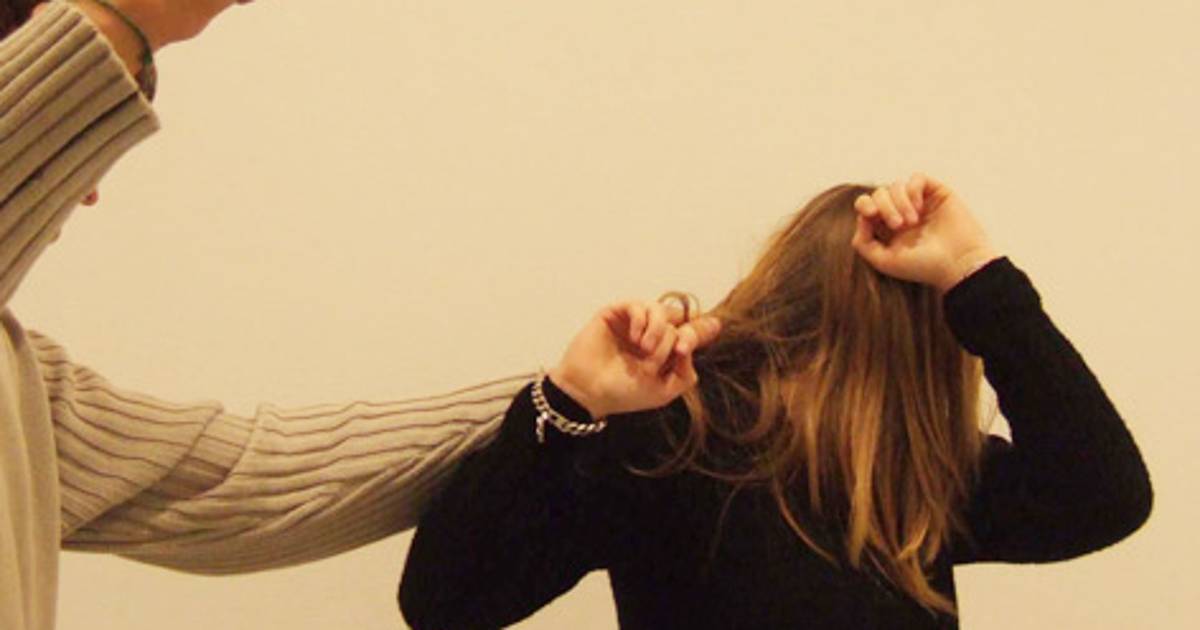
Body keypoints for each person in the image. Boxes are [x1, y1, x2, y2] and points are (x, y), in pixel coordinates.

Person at [5, 3, 691, 629]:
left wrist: (572, 394)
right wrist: (121, 20)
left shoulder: (21, 385)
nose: (86, 189)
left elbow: (250, 481)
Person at [399, 174, 1154, 629]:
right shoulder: (676, 440)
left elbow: (1104, 496)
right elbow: (446, 601)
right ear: (927, 344)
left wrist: (976, 274)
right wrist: (568, 405)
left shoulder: (911, 473)